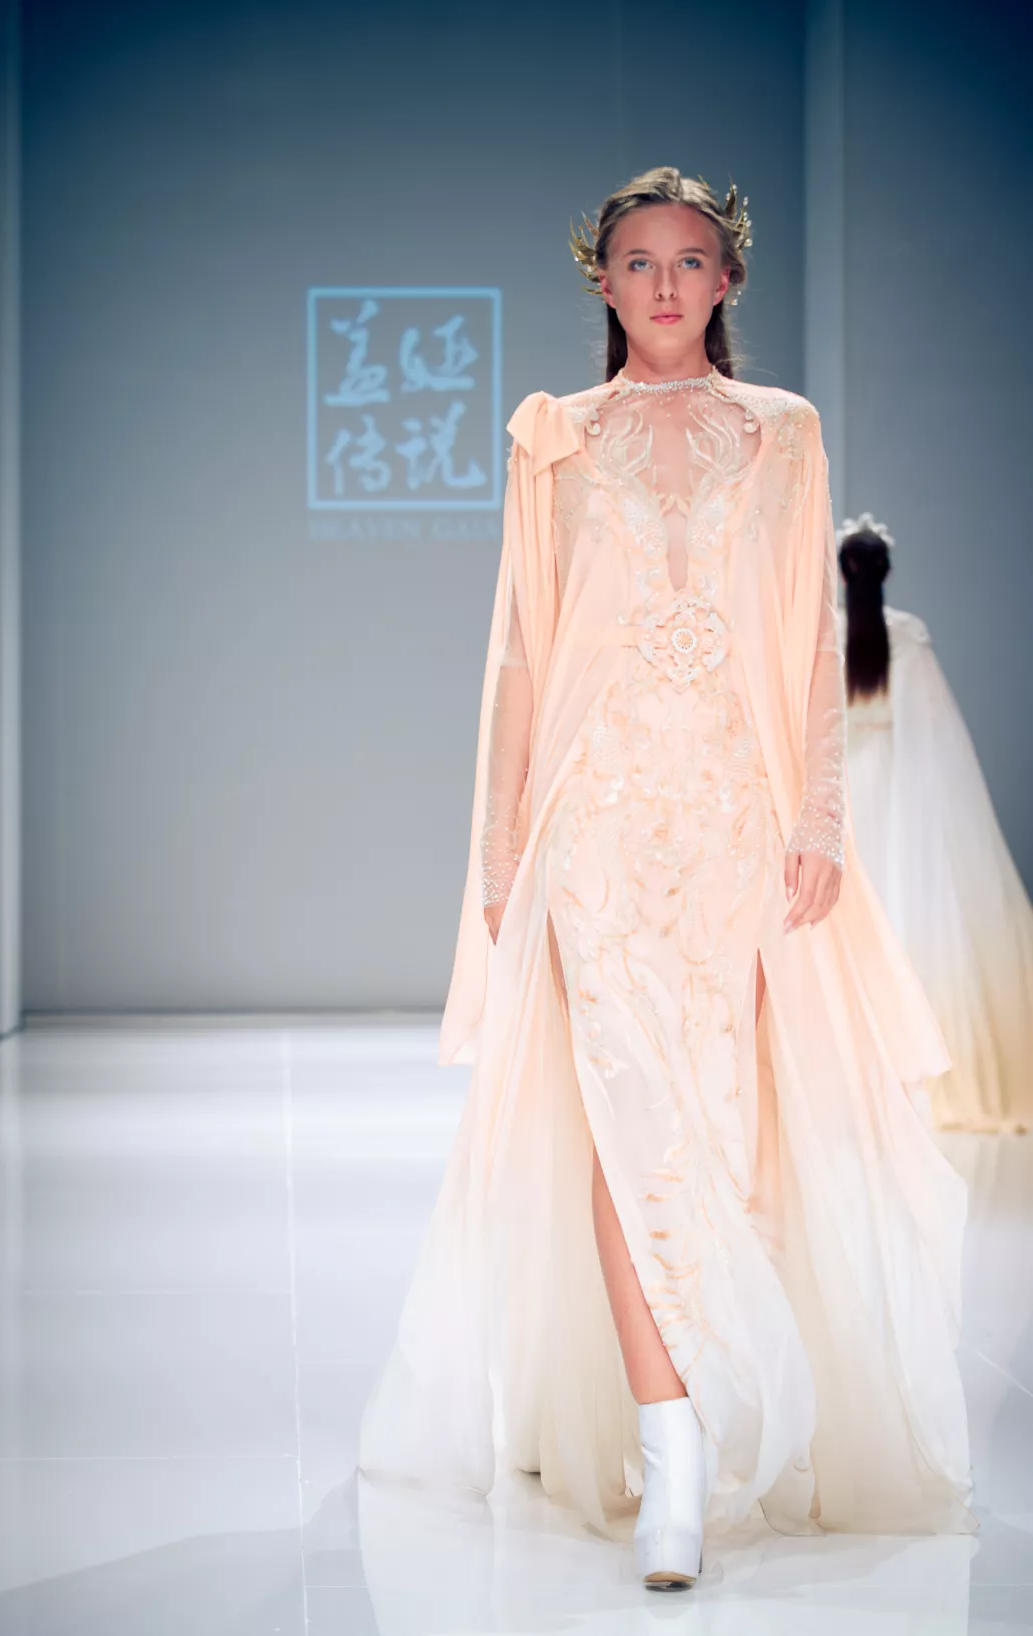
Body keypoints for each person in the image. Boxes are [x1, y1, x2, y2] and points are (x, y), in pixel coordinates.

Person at [359, 167, 975, 1589]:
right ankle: (671, 1456)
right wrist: (501, 849)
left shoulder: (785, 432)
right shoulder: (555, 440)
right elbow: (522, 650)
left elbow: (811, 640)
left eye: (690, 260)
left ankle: (720, 1404)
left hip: (737, 815)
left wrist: (820, 815)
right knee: (624, 1113)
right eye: (638, 260)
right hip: (598, 816)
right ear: (602, 279)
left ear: (727, 280)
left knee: (729, 1116)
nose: (663, 284)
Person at [839, 514, 1033, 1134]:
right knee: (908, 910)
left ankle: (853, 1075)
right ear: (886, 571)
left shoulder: (825, 635)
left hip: (843, 784)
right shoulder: (908, 635)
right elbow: (929, 732)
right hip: (896, 779)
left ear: (841, 574)